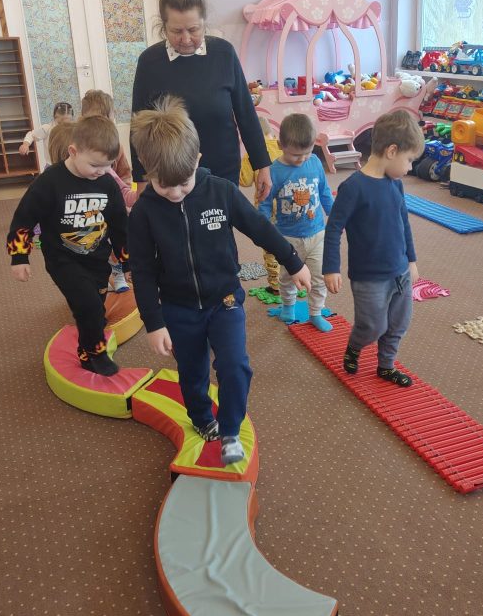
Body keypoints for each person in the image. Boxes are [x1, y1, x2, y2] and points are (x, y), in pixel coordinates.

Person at [128, 95, 309, 465]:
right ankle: (201, 417)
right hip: (178, 309)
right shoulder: (144, 212)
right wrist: (154, 322)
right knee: (192, 372)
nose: (175, 193)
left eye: (183, 183)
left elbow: (259, 228)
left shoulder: (220, 191)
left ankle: (230, 430)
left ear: (197, 160)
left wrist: (293, 261)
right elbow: (142, 271)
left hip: (224, 300)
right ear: (147, 170)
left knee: (234, 366)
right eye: (163, 186)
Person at [130, 0, 272, 201]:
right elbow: (138, 127)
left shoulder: (224, 54)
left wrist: (262, 165)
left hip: (222, 170)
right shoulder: (149, 62)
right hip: (169, 177)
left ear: (204, 22)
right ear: (163, 26)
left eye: (193, 29)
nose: (186, 39)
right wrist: (141, 181)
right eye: (176, 31)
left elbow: (246, 114)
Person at [7, 115, 128, 376]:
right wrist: (19, 257)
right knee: (89, 306)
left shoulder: (107, 183)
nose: (101, 171)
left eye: (108, 165)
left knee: (94, 306)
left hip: (98, 259)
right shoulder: (49, 182)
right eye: (95, 165)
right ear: (73, 151)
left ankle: (87, 343)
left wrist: (128, 261)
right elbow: (23, 219)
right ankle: (94, 353)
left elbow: (120, 225)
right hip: (63, 260)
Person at [322, 110, 424, 387]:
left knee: (398, 324)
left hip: (400, 271)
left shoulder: (396, 185)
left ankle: (386, 366)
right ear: (392, 151)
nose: (410, 168)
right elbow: (334, 229)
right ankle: (355, 345)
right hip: (369, 277)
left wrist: (411, 260)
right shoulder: (353, 187)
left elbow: (404, 224)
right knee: (373, 326)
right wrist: (331, 268)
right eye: (409, 160)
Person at [257, 113, 334, 331]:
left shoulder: (315, 162)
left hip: (317, 233)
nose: (302, 159)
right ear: (280, 145)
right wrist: (264, 232)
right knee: (287, 276)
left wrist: (336, 218)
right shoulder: (274, 171)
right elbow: (264, 204)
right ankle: (288, 306)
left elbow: (325, 192)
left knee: (319, 277)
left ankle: (316, 312)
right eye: (295, 155)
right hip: (288, 237)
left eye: (307, 153)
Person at [81, 89, 137, 293]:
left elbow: (124, 174)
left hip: (112, 199)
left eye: (106, 119)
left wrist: (125, 198)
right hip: (88, 204)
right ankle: (102, 273)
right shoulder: (80, 146)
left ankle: (117, 270)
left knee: (118, 234)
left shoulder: (116, 147)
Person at [241, 116, 284, 295]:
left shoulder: (251, 154)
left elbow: (244, 180)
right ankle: (292, 275)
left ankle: (276, 285)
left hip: (266, 206)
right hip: (286, 202)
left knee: (270, 243)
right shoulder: (282, 146)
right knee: (289, 239)